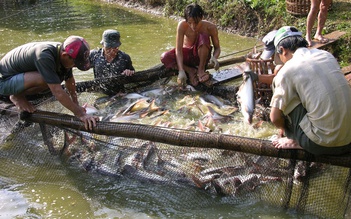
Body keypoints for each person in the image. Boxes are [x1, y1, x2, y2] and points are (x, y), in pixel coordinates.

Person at [269, 26, 351, 156]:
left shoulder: (286, 71)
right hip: (349, 140)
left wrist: (285, 129)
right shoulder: (326, 55)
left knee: (283, 97)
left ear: (282, 50)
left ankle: (295, 140)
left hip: (322, 145)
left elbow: (274, 118)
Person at [0, 36, 98, 130]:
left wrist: (76, 105)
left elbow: (70, 81)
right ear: (65, 56)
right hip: (5, 81)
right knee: (46, 80)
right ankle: (16, 96)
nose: (75, 66)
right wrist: (81, 115)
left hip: (21, 77)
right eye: (75, 64)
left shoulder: (63, 53)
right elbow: (57, 91)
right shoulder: (44, 56)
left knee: (56, 78)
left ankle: (20, 93)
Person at [160, 3, 221, 88]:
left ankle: (200, 70)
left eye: (196, 23)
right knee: (164, 56)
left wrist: (214, 57)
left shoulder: (211, 27)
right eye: (190, 23)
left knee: (203, 37)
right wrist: (181, 70)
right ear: (186, 20)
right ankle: (190, 70)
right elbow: (179, 50)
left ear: (201, 18)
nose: (193, 26)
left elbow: (217, 48)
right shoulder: (182, 25)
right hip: (187, 57)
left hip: (201, 57)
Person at [89, 29, 135, 95]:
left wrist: (129, 72)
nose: (111, 51)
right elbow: (82, 65)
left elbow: (132, 72)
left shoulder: (124, 58)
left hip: (119, 93)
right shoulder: (94, 55)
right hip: (100, 92)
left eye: (115, 48)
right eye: (108, 48)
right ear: (103, 45)